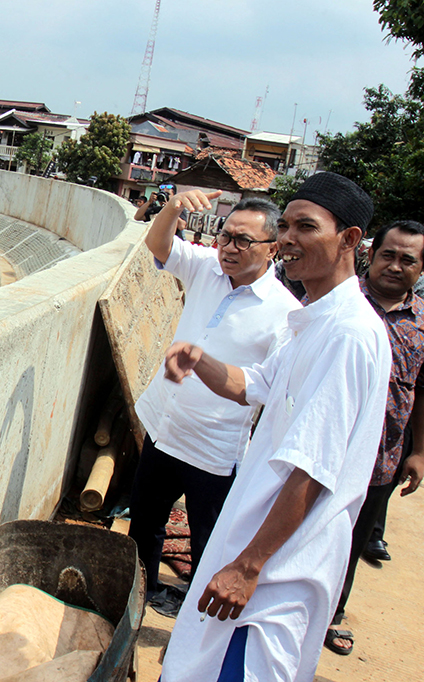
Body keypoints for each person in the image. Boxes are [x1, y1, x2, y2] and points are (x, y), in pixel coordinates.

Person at [158, 171, 390, 682]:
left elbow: (313, 466)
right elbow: (256, 385)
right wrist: (198, 358)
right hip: (255, 542)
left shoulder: (349, 334)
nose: (288, 239)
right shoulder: (311, 319)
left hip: (277, 570)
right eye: (285, 226)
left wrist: (248, 567)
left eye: (306, 227)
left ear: (349, 239)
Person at [129, 190, 299, 615]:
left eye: (244, 241)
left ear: (272, 249)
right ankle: (139, 595)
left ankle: (196, 616)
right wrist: (174, 207)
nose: (229, 248)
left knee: (210, 539)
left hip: (214, 448)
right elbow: (157, 244)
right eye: (225, 236)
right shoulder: (206, 267)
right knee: (145, 522)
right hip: (164, 425)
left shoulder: (285, 313)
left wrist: (203, 364)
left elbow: (267, 387)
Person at [324, 220, 424, 656]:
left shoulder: (422, 323)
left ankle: (332, 614)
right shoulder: (337, 300)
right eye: (388, 255)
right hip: (323, 449)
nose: (395, 266)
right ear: (370, 253)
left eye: (408, 260)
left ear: (421, 268)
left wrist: (419, 451)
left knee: (351, 540)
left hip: (380, 458)